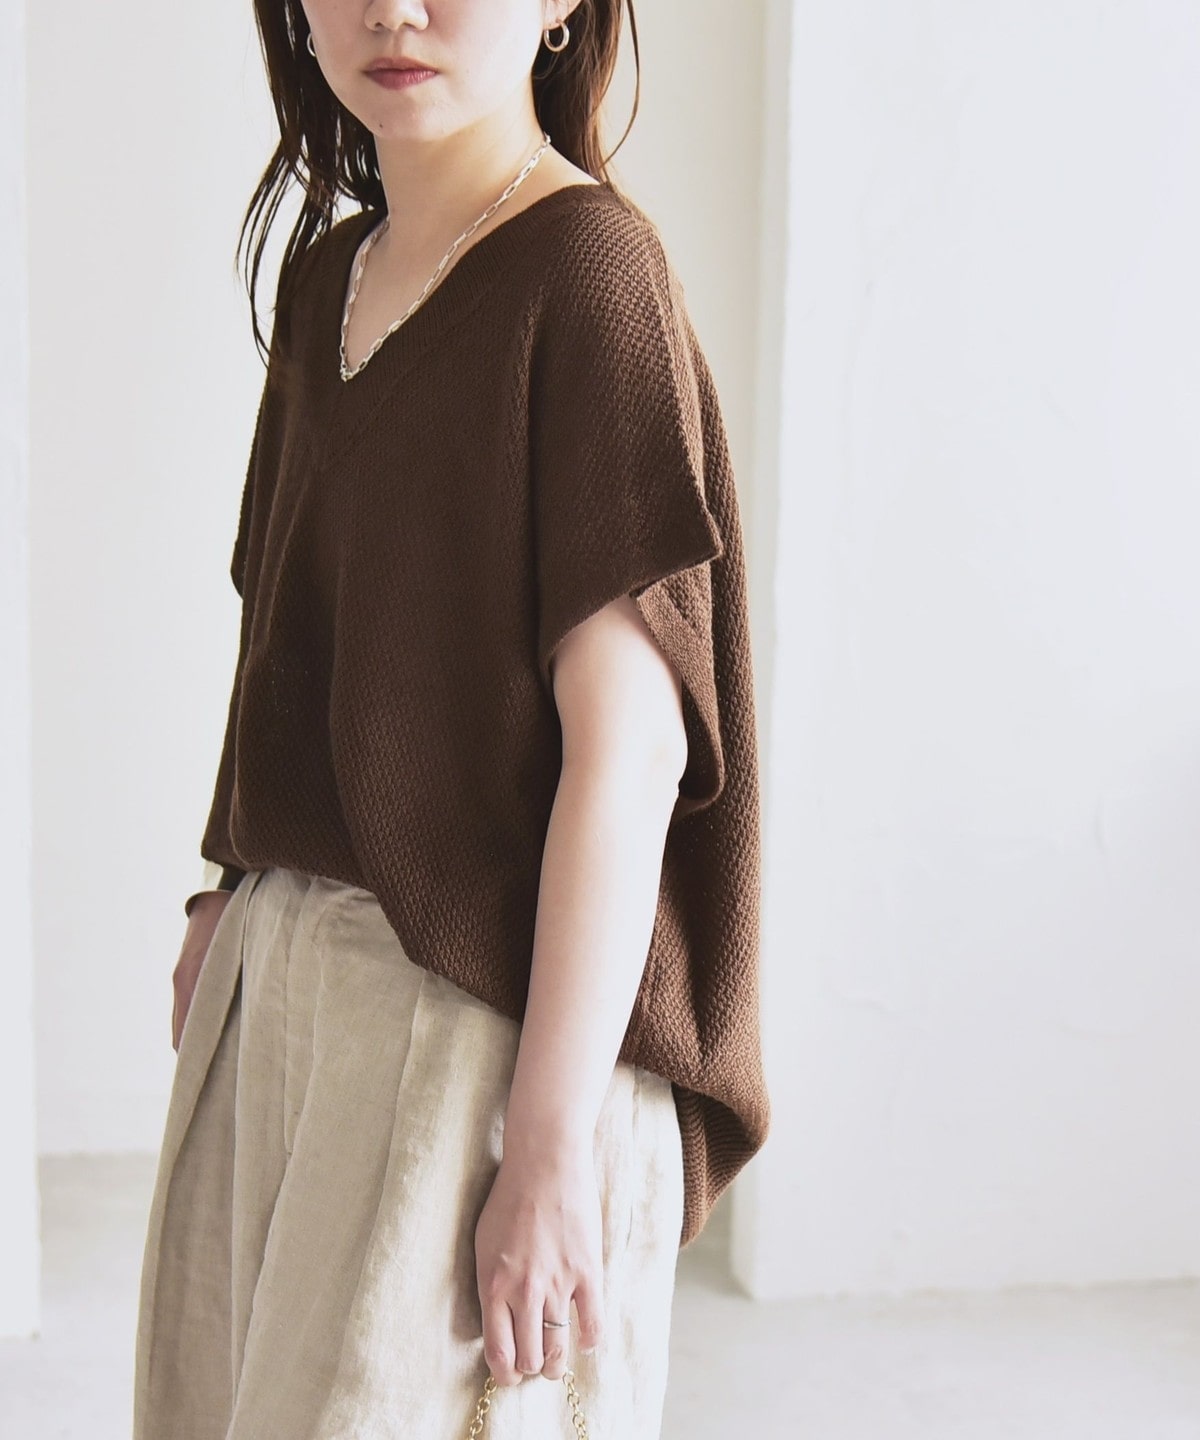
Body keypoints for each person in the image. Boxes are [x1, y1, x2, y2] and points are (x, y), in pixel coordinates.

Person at [133, 2, 770, 1437]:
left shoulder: (588, 272)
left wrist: (547, 1150)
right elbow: (291, 623)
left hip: (490, 1017)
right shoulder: (329, 279)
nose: (393, 9)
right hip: (291, 977)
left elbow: (631, 752)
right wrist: (233, 881)